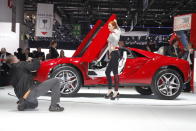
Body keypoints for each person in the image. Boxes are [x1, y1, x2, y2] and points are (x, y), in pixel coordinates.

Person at [104, 19, 121, 100]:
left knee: (113, 72)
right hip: (115, 53)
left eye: (109, 26)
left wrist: (110, 53)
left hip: (115, 53)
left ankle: (115, 91)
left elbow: (110, 45)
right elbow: (118, 29)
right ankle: (111, 90)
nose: (108, 27)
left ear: (113, 26)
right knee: (109, 72)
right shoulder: (117, 31)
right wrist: (116, 23)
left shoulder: (112, 34)